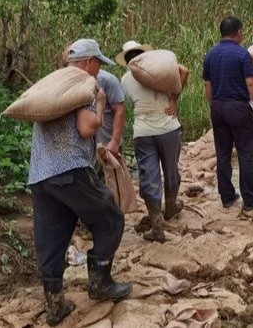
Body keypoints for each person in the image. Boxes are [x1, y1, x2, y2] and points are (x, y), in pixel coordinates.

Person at [30, 39, 131, 326]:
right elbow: (87, 128)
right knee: (111, 217)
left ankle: (55, 305)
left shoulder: (53, 84)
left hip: (41, 174)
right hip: (70, 170)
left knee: (52, 238)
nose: (99, 69)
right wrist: (100, 105)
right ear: (88, 62)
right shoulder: (83, 84)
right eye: (98, 63)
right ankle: (100, 282)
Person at [116, 40, 189, 243]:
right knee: (171, 169)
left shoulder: (125, 80)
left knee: (149, 176)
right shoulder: (161, 72)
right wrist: (173, 99)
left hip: (143, 132)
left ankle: (157, 226)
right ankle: (171, 206)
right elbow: (184, 71)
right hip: (169, 128)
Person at [203, 17, 253, 211]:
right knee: (246, 153)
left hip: (218, 107)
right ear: (238, 32)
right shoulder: (242, 54)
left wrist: (213, 106)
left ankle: (227, 197)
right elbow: (251, 82)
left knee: (223, 153)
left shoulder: (210, 54)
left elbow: (208, 85)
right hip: (238, 108)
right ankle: (249, 198)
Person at [62, 45, 125, 161]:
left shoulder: (108, 80)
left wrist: (115, 141)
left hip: (106, 145)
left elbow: (119, 110)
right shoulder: (67, 85)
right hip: (83, 151)